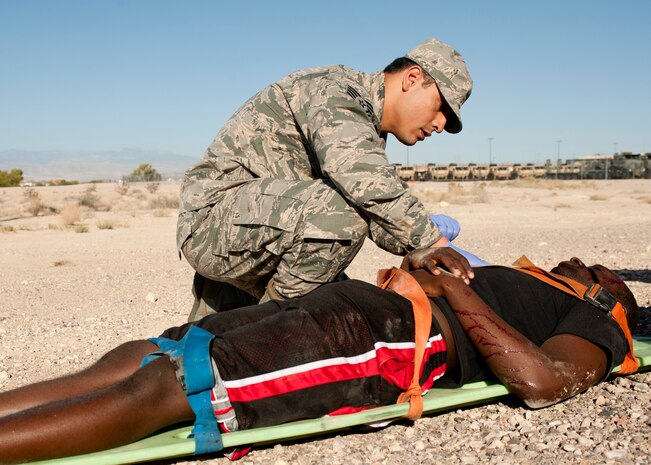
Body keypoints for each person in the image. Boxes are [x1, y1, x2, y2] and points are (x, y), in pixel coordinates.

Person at [0, 249, 639, 464]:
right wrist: (429, 265)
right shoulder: (544, 283)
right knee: (155, 350)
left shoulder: (599, 316)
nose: (587, 261)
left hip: (383, 341)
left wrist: (445, 289)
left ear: (616, 291)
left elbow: (541, 380)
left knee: (178, 384)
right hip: (351, 303)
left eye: (604, 270)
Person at [177, 37, 474, 319]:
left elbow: (369, 210)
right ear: (411, 79)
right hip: (213, 225)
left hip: (254, 232)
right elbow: (363, 185)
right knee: (337, 228)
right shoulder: (338, 92)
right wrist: (432, 239)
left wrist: (421, 249)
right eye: (441, 108)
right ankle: (266, 336)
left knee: (345, 305)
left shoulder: (366, 125)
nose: (440, 125)